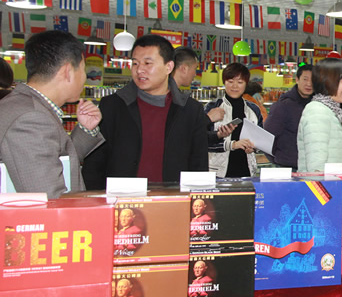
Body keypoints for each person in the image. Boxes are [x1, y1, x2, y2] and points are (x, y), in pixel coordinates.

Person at [83, 34, 208, 188]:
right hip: (122, 199)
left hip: (173, 198)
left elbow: (199, 164)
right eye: (135, 63)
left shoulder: (190, 110)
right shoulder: (113, 106)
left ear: (169, 67)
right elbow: (95, 163)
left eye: (148, 63)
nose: (139, 70)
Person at [0, 30, 104, 198]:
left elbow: (55, 159)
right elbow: (49, 199)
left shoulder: (27, 107)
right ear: (67, 71)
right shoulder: (31, 118)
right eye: (83, 69)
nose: (85, 77)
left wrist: (85, 129)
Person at [205, 63, 263, 178]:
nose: (235, 86)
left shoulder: (254, 109)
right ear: (224, 82)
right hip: (218, 173)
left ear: (246, 84)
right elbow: (201, 141)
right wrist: (232, 145)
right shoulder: (212, 107)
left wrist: (254, 147)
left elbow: (260, 139)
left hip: (247, 172)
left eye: (240, 82)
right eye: (230, 81)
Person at [171, 47, 235, 144]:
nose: (195, 74)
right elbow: (178, 132)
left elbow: (193, 136)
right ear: (184, 68)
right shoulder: (169, 97)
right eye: (195, 69)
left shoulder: (177, 96)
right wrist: (208, 118)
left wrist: (218, 135)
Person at [297, 58, 342, 172]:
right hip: (323, 183)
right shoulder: (317, 111)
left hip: (332, 181)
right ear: (330, 81)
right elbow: (316, 168)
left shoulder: (329, 110)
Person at [264, 64, 314, 169]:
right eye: (305, 79)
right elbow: (267, 136)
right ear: (297, 80)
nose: (309, 84)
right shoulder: (283, 106)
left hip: (311, 166)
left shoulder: (318, 106)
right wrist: (278, 159)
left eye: (313, 80)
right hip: (288, 167)